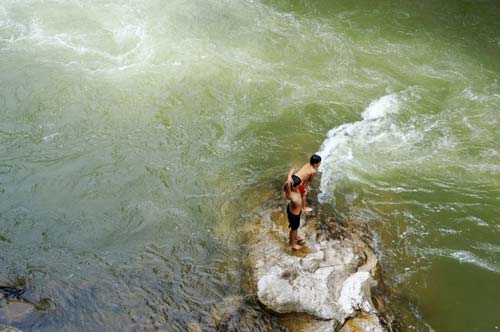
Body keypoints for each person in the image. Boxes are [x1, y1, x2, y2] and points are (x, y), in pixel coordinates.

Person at [283, 175, 305, 250]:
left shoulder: (296, 189)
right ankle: (291, 244)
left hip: (296, 212)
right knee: (294, 228)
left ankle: (295, 237)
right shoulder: (290, 194)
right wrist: (288, 181)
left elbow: (292, 169)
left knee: (296, 227)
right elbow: (287, 186)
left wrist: (289, 176)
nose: (300, 185)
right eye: (298, 185)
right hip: (293, 215)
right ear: (292, 186)